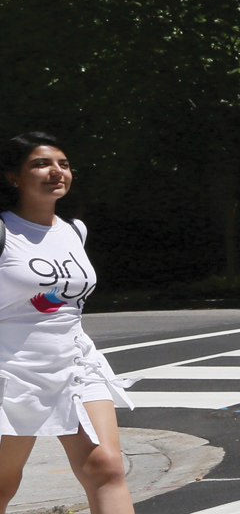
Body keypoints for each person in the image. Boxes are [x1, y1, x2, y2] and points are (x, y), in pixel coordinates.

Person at [0, 133, 136, 514]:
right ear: (14, 177)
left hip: (76, 362)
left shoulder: (75, 230)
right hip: (12, 369)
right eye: (41, 164)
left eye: (63, 163)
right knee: (3, 483)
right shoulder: (4, 231)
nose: (56, 171)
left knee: (105, 467)